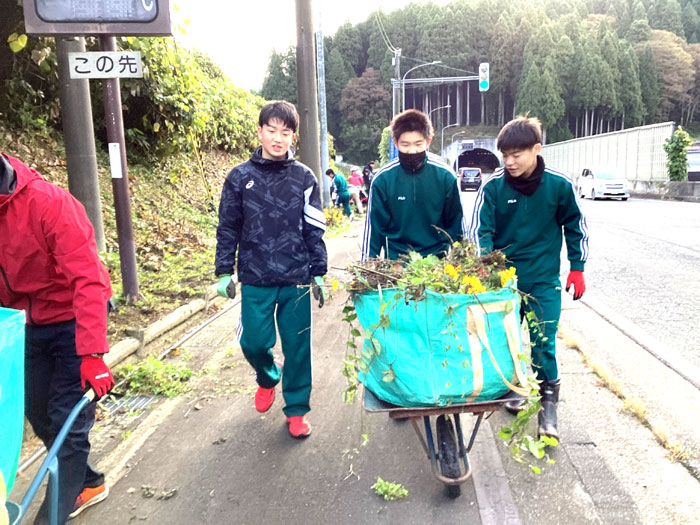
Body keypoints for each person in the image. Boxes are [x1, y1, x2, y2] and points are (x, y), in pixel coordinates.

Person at [0, 153, 115, 523]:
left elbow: (89, 280)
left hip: (72, 319)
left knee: (67, 420)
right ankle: (89, 481)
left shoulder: (48, 203)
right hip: (25, 325)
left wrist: (93, 353)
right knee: (34, 411)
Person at [468, 116, 589, 439]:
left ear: (537, 149)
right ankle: (515, 387)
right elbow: (481, 231)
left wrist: (577, 267)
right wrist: (486, 268)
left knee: (543, 343)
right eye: (504, 155)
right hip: (503, 285)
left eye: (516, 155)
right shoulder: (493, 187)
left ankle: (548, 406)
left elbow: (576, 226)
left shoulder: (558, 185)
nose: (509, 162)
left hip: (542, 281)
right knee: (504, 342)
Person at [215, 101, 327, 438]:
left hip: (295, 277)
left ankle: (296, 410)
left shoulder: (304, 177)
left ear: (294, 135)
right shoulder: (239, 177)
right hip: (255, 275)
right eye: (272, 130)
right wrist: (223, 271)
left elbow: (314, 227)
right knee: (253, 342)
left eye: (285, 132)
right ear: (260, 131)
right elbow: (227, 227)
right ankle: (266, 376)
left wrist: (318, 269)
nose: (278, 138)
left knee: (297, 347)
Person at [361, 109, 465, 261]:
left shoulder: (445, 176)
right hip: (397, 262)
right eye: (405, 144)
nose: (412, 151)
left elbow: (456, 223)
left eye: (418, 144)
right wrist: (366, 268)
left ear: (428, 141)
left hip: (437, 261)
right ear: (396, 143)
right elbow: (374, 230)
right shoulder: (383, 179)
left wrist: (461, 263)